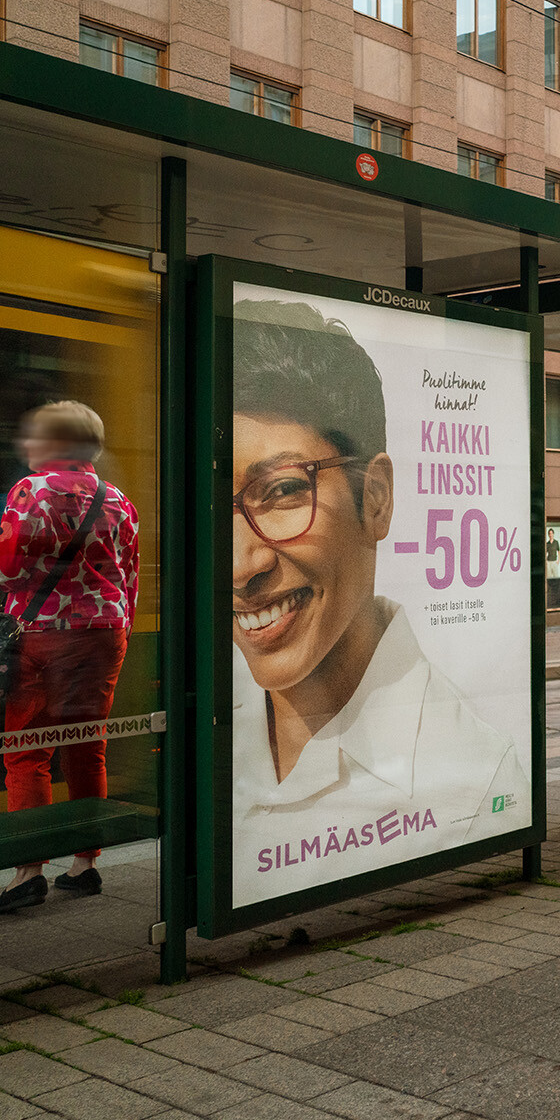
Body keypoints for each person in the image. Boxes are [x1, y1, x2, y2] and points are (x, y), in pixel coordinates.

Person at [230, 300, 523, 906]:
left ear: (378, 499)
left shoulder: (475, 787)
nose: (240, 565)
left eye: (283, 491)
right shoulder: (207, 729)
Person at [0, 401, 140, 914]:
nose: (25, 446)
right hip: (105, 634)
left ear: (54, 445)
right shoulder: (118, 500)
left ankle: (28, 872)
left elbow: (5, 570)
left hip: (45, 635)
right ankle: (85, 865)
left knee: (29, 750)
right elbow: (130, 578)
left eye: (33, 437)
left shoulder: (33, 492)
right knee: (85, 745)